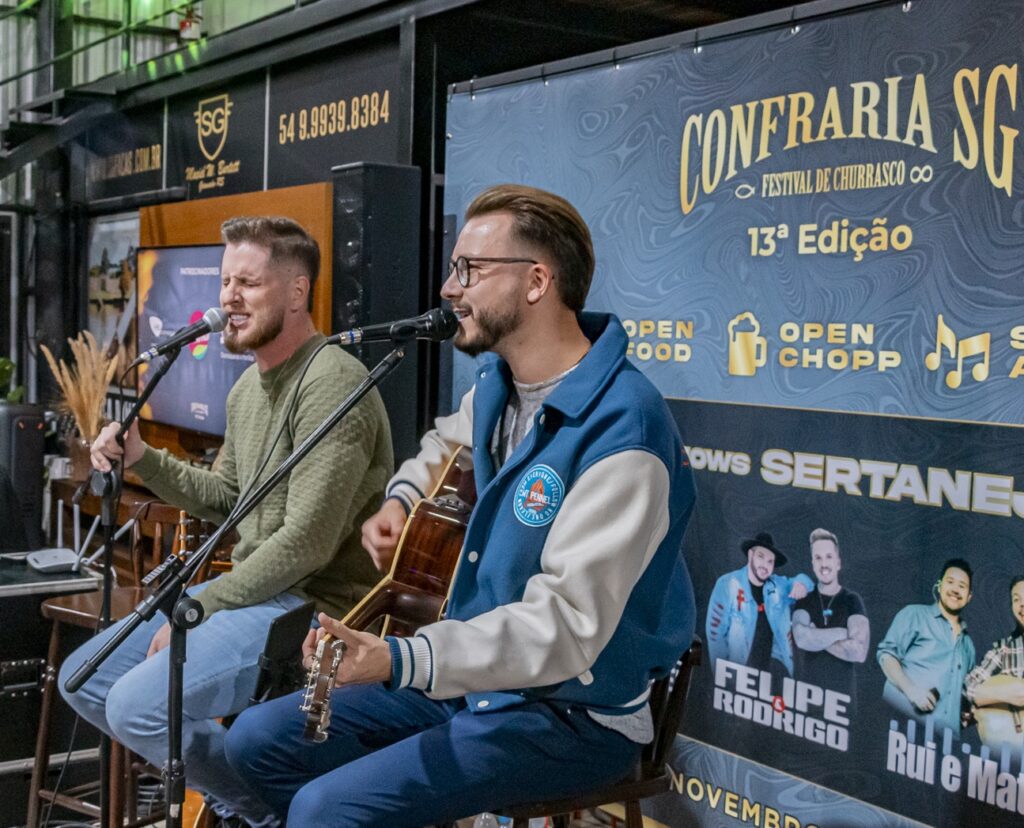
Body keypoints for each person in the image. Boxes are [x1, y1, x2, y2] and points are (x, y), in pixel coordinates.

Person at [224, 184, 698, 827]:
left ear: (536, 281)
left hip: (571, 714)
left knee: (321, 809)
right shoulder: (502, 384)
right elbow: (447, 439)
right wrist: (402, 498)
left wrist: (400, 658)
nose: (450, 288)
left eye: (469, 270)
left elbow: (564, 629)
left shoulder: (626, 431)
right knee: (253, 741)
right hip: (481, 684)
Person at [59, 216, 393, 827]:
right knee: (84, 680)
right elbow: (228, 495)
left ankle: (265, 813)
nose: (229, 299)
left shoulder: (332, 382)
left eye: (249, 284)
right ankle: (262, 804)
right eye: (225, 282)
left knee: (137, 705)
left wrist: (202, 609)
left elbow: (306, 543)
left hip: (308, 605)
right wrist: (141, 457)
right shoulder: (248, 390)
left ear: (297, 292)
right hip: (253, 593)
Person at [877, 558, 976, 736]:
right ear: (939, 586)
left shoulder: (968, 646)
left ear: (969, 597)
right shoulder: (914, 615)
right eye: (950, 582)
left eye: (962, 586)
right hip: (901, 730)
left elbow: (965, 697)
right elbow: (886, 656)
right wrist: (911, 690)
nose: (955, 589)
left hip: (943, 748)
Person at [705, 531, 812, 679]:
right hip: (738, 673)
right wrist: (722, 675)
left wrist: (801, 584)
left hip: (774, 675)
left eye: (770, 561)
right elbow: (715, 634)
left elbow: (805, 581)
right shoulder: (728, 584)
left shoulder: (779, 587)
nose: (765, 565)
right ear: (750, 555)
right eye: (761, 557)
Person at [791, 528, 869, 700]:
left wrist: (815, 634)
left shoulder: (852, 600)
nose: (823, 564)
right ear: (812, 563)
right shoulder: (805, 600)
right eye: (818, 558)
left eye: (829, 557)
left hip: (843, 701)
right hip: (806, 698)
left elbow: (859, 651)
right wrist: (841, 634)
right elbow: (801, 638)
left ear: (838, 562)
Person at [965, 575, 1024, 750]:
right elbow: (967, 688)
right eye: (1016, 599)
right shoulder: (1004, 649)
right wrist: (1009, 693)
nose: (1022, 604)